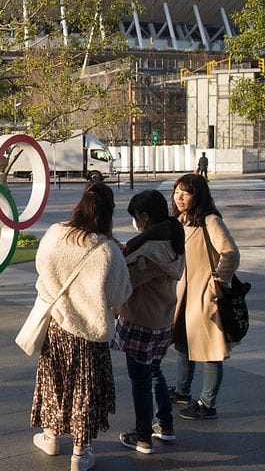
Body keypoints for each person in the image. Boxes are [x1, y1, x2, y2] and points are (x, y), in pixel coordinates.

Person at [29, 182, 132, 471]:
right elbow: (120, 295)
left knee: (55, 382)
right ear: (109, 211)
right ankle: (80, 451)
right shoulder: (108, 250)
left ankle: (50, 435)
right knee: (84, 389)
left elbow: (41, 268)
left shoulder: (55, 233)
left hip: (58, 325)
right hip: (89, 331)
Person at [113, 190, 185, 454]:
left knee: (140, 380)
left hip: (141, 322)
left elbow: (126, 278)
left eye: (135, 217)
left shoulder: (150, 250)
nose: (135, 222)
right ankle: (165, 425)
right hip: (162, 321)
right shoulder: (171, 238)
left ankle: (142, 436)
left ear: (144, 216)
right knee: (154, 372)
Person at [169, 173, 240, 420]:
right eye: (177, 191)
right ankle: (182, 391)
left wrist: (217, 282)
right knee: (182, 344)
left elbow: (230, 253)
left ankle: (207, 403)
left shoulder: (210, 221)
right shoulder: (181, 220)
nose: (179, 197)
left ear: (197, 196)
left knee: (210, 350)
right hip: (184, 295)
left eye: (186, 193)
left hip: (204, 295)